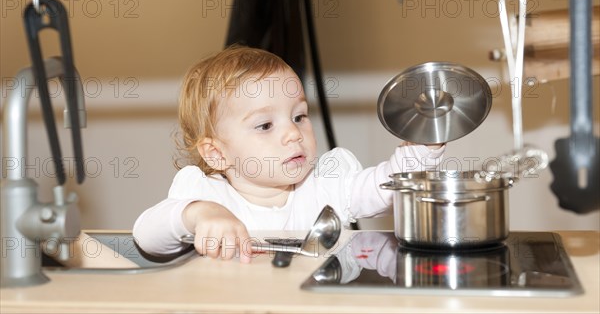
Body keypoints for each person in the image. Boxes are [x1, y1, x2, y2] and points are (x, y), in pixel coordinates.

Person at [133, 47, 445, 263]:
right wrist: (199, 215)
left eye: (299, 117)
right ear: (216, 154)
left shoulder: (326, 184)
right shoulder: (206, 195)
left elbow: (387, 188)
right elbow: (147, 236)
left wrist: (422, 148)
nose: (293, 133)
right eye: (265, 125)